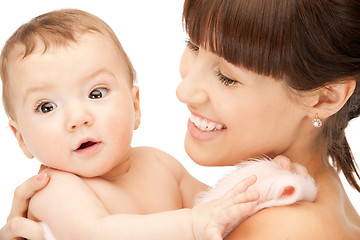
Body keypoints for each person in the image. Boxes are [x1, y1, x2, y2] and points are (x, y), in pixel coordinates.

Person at [2, 0, 360, 239]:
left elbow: (207, 210)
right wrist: (263, 183)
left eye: (227, 76)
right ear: (19, 137)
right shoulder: (56, 188)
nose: (184, 91)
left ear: (325, 97)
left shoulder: (279, 229)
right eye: (193, 45)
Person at [0, 9, 263, 240]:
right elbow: (95, 234)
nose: (78, 118)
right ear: (21, 137)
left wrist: (264, 181)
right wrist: (192, 225)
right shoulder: (53, 188)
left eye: (96, 93)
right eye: (47, 107)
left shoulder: (160, 164)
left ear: (135, 106)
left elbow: (221, 206)